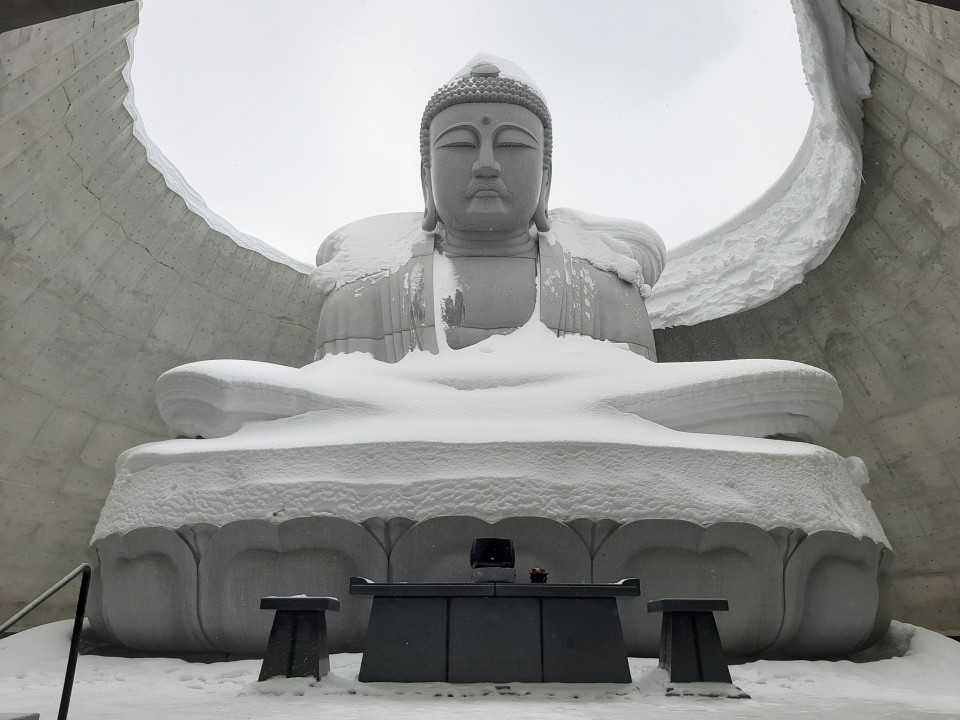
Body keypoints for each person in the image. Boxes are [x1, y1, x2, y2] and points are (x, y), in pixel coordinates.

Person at [313, 54, 665, 362]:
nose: (486, 165)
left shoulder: (607, 297)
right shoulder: (361, 300)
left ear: (546, 177)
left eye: (511, 145)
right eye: (459, 145)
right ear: (426, 176)